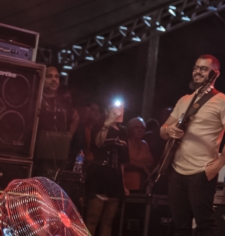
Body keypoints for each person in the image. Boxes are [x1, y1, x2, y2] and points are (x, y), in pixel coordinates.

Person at [160, 55, 225, 236]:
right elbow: (162, 130)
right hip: (177, 170)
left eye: (204, 69)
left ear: (215, 74)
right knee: (180, 226)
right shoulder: (184, 100)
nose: (197, 71)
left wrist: (217, 166)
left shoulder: (224, 101)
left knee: (205, 225)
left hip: (201, 172)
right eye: (196, 67)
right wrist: (169, 130)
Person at [85, 104, 128, 236]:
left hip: (115, 178)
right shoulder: (99, 126)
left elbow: (123, 161)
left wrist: (123, 185)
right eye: (113, 109)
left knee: (108, 221)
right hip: (99, 176)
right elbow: (98, 144)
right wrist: (107, 124)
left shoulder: (123, 131)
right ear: (106, 110)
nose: (116, 112)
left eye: (119, 109)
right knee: (93, 218)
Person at [35, 66, 80, 174]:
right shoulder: (35, 97)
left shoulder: (63, 101)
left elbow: (76, 116)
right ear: (42, 78)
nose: (54, 79)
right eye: (49, 76)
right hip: (38, 151)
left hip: (58, 152)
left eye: (56, 77)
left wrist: (69, 135)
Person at [124, 117, 154, 193]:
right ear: (130, 129)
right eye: (136, 127)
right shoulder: (125, 143)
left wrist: (135, 164)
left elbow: (150, 162)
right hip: (126, 183)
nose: (140, 130)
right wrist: (141, 166)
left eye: (142, 128)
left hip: (142, 184)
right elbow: (124, 161)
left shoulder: (144, 144)